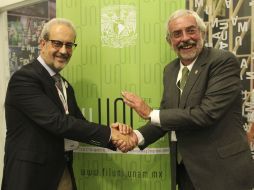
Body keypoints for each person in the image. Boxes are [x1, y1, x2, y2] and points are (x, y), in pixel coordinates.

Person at [119, 9, 254, 190]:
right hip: (187, 172)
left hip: (223, 173)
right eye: (177, 34)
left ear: (202, 33)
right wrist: (135, 137)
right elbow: (166, 116)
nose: (184, 38)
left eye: (191, 30)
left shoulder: (222, 62)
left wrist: (150, 113)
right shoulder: (170, 70)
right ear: (170, 41)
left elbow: (206, 114)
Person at [1, 18, 134, 190]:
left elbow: (79, 124)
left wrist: (113, 133)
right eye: (57, 43)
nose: (64, 51)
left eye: (69, 45)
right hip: (29, 177)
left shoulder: (65, 86)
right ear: (42, 44)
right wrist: (110, 134)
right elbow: (57, 122)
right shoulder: (25, 78)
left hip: (61, 172)